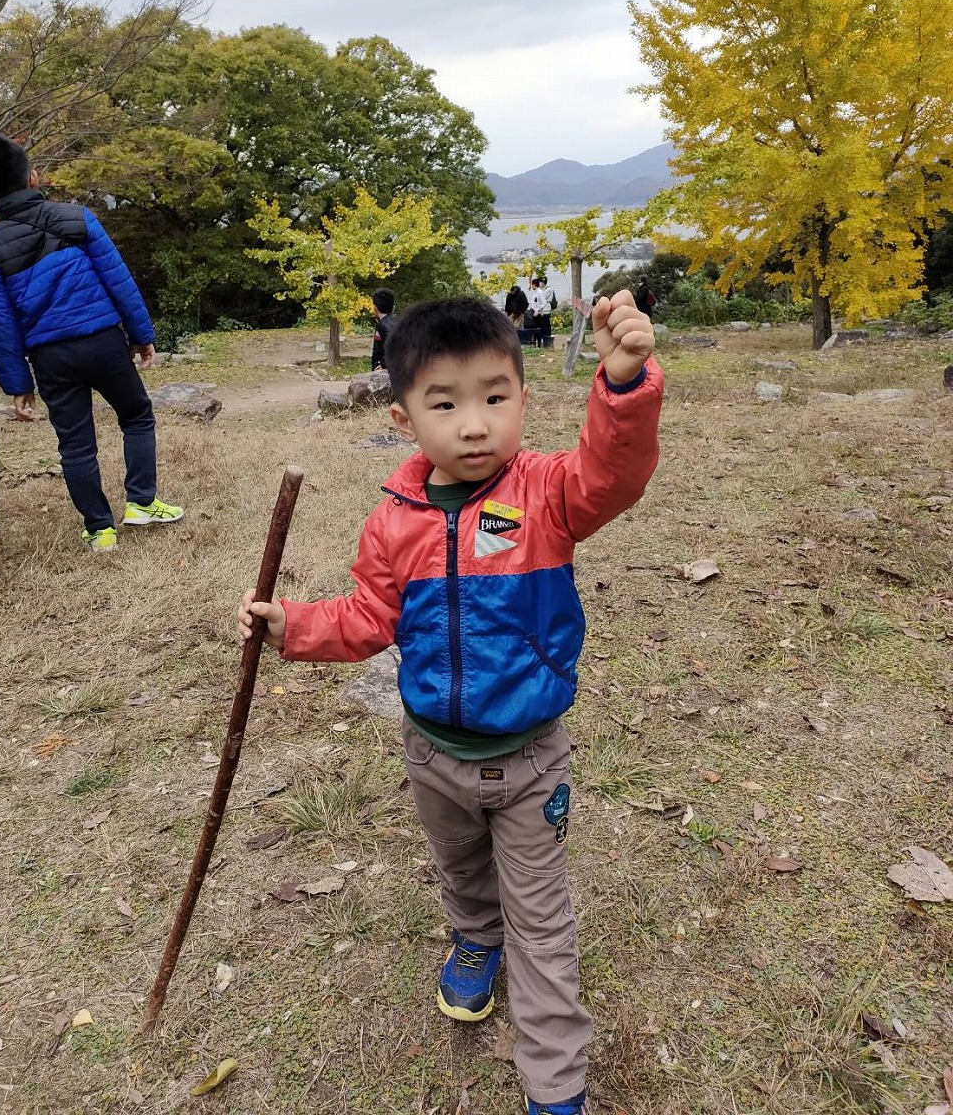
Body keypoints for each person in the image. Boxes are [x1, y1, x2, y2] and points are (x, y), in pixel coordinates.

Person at [237, 293, 663, 1115]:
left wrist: (623, 382)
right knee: (461, 870)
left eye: (494, 398)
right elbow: (367, 617)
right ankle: (474, 938)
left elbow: (614, 473)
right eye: (446, 403)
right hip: (432, 754)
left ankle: (555, 1080)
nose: (475, 425)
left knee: (542, 924)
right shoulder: (394, 522)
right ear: (403, 420)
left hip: (530, 759)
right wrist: (292, 624)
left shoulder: (548, 495)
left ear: (523, 402)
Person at [0, 132, 183, 552]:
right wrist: (141, 334)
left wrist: (18, 384)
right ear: (33, 177)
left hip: (49, 358)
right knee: (136, 415)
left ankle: (100, 530)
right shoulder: (77, 217)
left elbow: (0, 323)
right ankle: (142, 502)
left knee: (75, 443)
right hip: (102, 341)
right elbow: (118, 279)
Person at [371, 287, 398, 371]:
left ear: (375, 308)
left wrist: (383, 364)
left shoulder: (384, 325)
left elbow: (397, 346)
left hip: (385, 370)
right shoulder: (397, 321)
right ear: (393, 307)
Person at [528, 275, 553, 346]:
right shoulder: (536, 292)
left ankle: (543, 341)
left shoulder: (543, 291)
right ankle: (536, 342)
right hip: (536, 311)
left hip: (543, 311)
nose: (540, 283)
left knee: (543, 326)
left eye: (541, 282)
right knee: (537, 327)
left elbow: (543, 302)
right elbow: (533, 301)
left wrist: (538, 310)